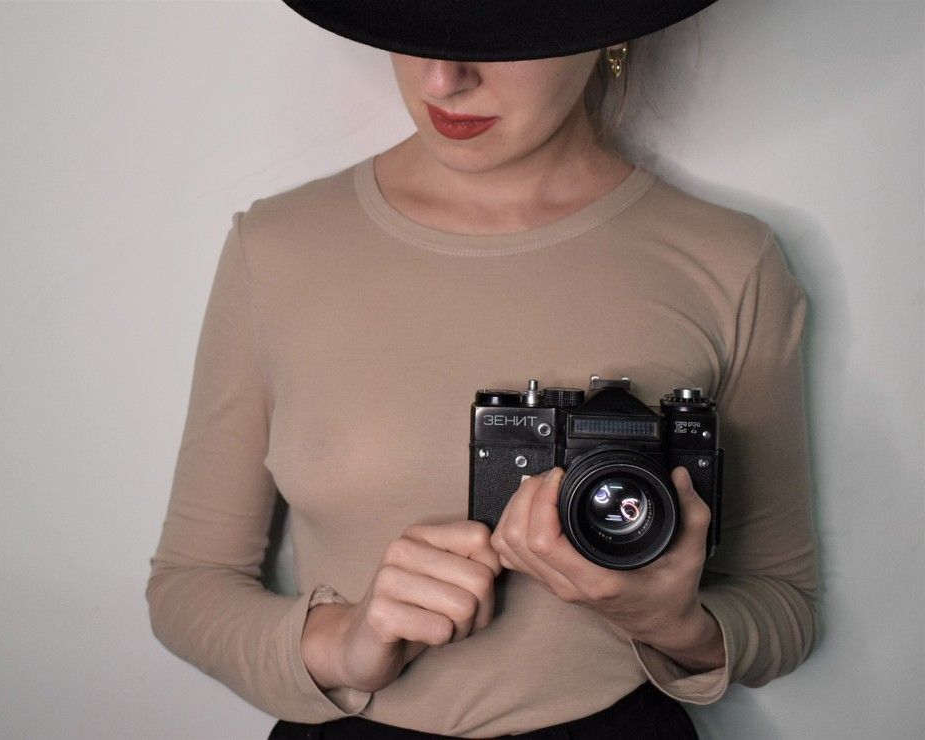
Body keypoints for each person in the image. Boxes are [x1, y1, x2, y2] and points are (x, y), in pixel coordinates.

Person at [146, 2, 819, 738]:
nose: (443, 80)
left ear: (608, 27)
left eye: (498, 35)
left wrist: (668, 621)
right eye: (414, 25)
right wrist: (345, 644)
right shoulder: (276, 248)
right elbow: (188, 586)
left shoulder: (730, 263)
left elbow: (784, 605)